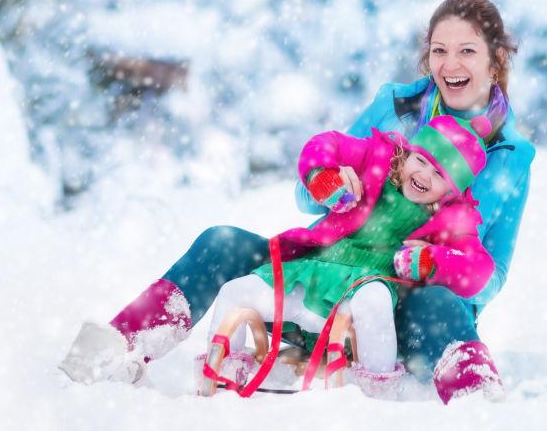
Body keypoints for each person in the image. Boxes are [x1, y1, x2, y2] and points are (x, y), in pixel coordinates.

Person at [59, 0, 535, 404]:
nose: (450, 65)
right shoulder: (397, 109)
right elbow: (311, 187)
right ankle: (116, 349)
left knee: (441, 305)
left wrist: (431, 266)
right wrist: (329, 183)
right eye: (439, 50)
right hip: (327, 271)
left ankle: (480, 403)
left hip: (401, 308)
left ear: (494, 60)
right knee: (222, 242)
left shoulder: (511, 157)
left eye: (467, 51)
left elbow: (492, 273)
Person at [197, 114, 494, 398]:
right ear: (409, 154)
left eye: (439, 174)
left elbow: (478, 269)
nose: (423, 175)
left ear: (452, 191)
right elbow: (325, 144)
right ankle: (223, 374)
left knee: (374, 300)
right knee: (234, 292)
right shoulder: (376, 160)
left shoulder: (452, 219)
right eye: (420, 160)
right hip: (315, 272)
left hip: (366, 288)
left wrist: (432, 261)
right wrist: (321, 175)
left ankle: (377, 392)